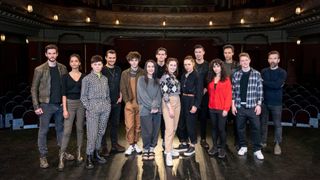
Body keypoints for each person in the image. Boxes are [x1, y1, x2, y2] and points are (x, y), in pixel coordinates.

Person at [31, 44, 69, 169]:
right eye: (50, 53)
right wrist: (36, 106)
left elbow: (65, 87)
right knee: (43, 131)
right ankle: (43, 156)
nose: (52, 55)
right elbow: (34, 88)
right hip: (46, 105)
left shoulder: (63, 68)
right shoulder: (39, 69)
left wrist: (65, 103)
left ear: (57, 54)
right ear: (46, 54)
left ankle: (62, 152)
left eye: (54, 53)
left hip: (60, 105)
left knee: (61, 130)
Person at [232, 52, 264, 160]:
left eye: (246, 60)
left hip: (252, 107)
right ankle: (243, 146)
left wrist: (259, 105)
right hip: (240, 106)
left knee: (256, 128)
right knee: (240, 128)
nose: (244, 62)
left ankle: (257, 149)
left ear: (249, 60)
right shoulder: (236, 74)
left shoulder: (257, 74)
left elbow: (260, 91)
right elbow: (233, 92)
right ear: (239, 62)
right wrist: (233, 105)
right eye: (242, 61)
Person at [81, 55, 111, 169]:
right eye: (95, 64)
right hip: (93, 109)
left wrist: (108, 105)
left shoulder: (105, 78)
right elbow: (83, 97)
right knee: (92, 134)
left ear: (102, 65)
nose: (97, 66)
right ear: (91, 65)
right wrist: (90, 108)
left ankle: (96, 153)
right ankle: (88, 156)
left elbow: (107, 94)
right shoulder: (87, 79)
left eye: (99, 64)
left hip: (105, 108)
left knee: (101, 132)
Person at [58, 54, 85, 171]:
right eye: (72, 61)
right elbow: (63, 94)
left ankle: (78, 153)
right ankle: (61, 156)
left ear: (79, 63)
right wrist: (64, 109)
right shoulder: (64, 77)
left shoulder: (84, 77)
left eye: (76, 61)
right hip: (69, 104)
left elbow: (85, 94)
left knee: (80, 129)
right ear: (70, 63)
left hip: (81, 104)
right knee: (67, 131)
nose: (74, 63)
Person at [260, 50, 287, 155]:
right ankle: (263, 141)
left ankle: (277, 144)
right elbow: (274, 85)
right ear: (268, 60)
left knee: (277, 124)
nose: (272, 60)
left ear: (278, 60)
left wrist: (265, 82)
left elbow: (277, 85)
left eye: (275, 58)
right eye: (271, 58)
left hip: (276, 103)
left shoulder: (282, 72)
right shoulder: (263, 71)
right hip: (264, 101)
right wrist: (273, 84)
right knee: (263, 123)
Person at [101, 50, 125, 157]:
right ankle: (104, 147)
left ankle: (114, 145)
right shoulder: (101, 69)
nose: (112, 59)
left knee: (115, 125)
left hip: (117, 101)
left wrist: (121, 95)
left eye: (113, 58)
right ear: (106, 58)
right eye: (109, 57)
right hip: (105, 102)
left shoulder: (118, 69)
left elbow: (120, 83)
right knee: (103, 125)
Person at [176, 55, 202, 157]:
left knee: (191, 124)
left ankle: (192, 145)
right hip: (183, 99)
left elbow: (199, 92)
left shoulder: (197, 75)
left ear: (193, 64)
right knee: (182, 123)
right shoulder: (183, 75)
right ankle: (184, 143)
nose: (187, 66)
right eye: (185, 64)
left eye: (189, 64)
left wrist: (196, 105)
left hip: (192, 100)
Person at [120, 51, 144, 156]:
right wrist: (126, 101)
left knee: (138, 125)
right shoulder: (125, 73)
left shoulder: (143, 72)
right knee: (129, 125)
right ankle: (130, 144)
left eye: (136, 60)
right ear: (129, 61)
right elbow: (123, 87)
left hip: (140, 103)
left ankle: (135, 144)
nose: (134, 62)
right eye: (132, 60)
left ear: (138, 61)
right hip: (129, 102)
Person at [207, 59, 232, 159]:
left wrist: (226, 109)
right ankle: (214, 147)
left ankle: (222, 148)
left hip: (222, 109)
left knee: (221, 129)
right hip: (212, 108)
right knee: (214, 128)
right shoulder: (210, 78)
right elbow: (210, 93)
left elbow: (229, 95)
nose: (216, 68)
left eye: (217, 66)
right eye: (214, 66)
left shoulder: (226, 79)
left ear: (221, 67)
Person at [137, 60, 162, 161]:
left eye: (153, 67)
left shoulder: (158, 80)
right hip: (145, 110)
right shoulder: (141, 79)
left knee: (155, 130)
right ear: (145, 68)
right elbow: (142, 95)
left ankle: (152, 148)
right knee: (147, 131)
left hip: (157, 110)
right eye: (149, 66)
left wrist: (155, 106)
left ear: (155, 68)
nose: (151, 68)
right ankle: (146, 148)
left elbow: (159, 96)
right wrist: (151, 107)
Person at [160, 57, 181, 167]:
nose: (173, 67)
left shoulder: (174, 77)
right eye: (171, 65)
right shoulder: (164, 77)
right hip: (169, 103)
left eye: (174, 65)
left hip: (177, 101)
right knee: (169, 129)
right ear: (167, 65)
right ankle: (167, 153)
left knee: (174, 128)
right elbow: (164, 94)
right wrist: (169, 107)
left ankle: (170, 147)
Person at [222, 44, 240, 150]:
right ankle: (223, 142)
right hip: (224, 96)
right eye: (225, 52)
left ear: (233, 53)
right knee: (223, 121)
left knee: (237, 121)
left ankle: (238, 142)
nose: (227, 54)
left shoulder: (238, 65)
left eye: (229, 52)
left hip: (235, 95)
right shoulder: (221, 65)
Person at [194, 45, 210, 149]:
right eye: (196, 52)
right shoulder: (191, 64)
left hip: (204, 95)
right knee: (193, 117)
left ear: (203, 52)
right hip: (193, 95)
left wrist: (206, 88)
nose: (198, 54)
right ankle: (192, 139)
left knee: (203, 117)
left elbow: (210, 78)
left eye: (200, 52)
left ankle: (203, 139)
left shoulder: (208, 65)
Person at [155, 47, 167, 149]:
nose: (161, 56)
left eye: (163, 54)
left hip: (165, 97)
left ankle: (164, 140)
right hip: (154, 97)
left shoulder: (168, 67)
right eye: (160, 54)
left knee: (164, 121)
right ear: (156, 56)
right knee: (154, 120)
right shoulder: (152, 67)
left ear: (166, 56)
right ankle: (152, 144)